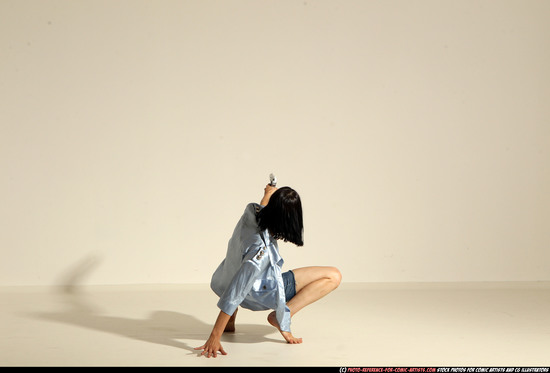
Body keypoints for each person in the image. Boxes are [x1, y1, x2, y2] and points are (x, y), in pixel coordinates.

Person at [194, 184, 342, 358]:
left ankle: (230, 322)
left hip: (225, 278)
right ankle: (281, 317)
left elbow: (264, 206)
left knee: (239, 270)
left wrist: (268, 193)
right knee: (333, 275)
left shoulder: (252, 216)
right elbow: (237, 290)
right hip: (261, 293)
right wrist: (214, 337)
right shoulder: (260, 252)